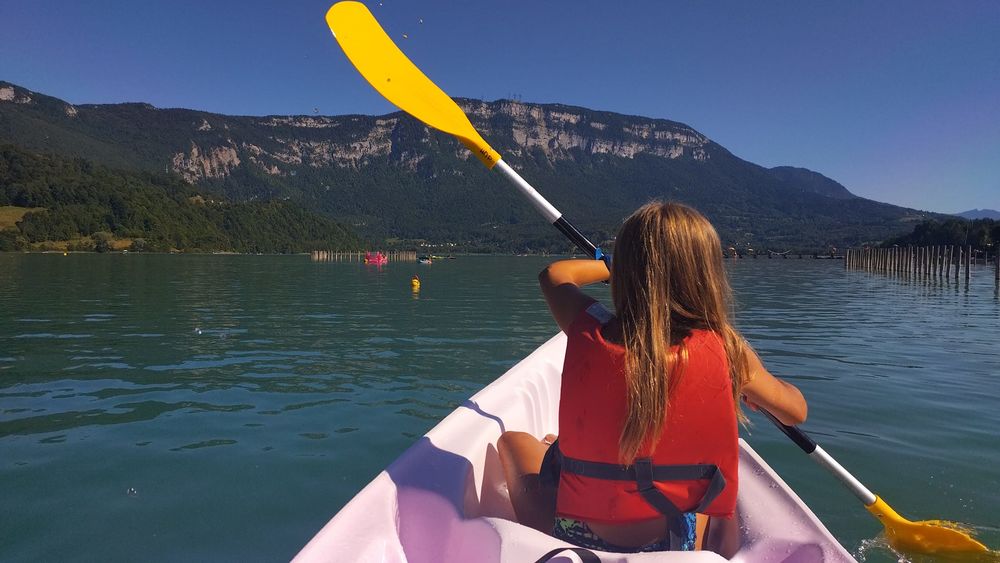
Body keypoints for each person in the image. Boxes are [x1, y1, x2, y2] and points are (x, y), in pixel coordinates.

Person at [498, 202, 808, 553]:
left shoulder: (587, 325)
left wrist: (609, 267)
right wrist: (751, 387)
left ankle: (556, 450)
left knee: (512, 440)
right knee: (715, 491)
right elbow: (795, 411)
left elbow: (554, 274)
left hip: (578, 532)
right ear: (706, 273)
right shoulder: (729, 351)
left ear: (628, 272)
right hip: (674, 539)